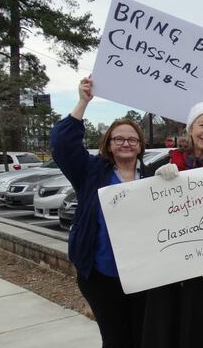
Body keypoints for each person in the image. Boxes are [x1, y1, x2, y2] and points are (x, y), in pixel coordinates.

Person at [50, 77, 147, 348]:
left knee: (143, 337)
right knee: (116, 339)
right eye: (119, 138)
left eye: (132, 139)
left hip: (144, 275)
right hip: (102, 275)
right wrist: (83, 101)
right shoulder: (91, 173)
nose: (126, 143)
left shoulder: (152, 176)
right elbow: (62, 144)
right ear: (108, 143)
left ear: (140, 145)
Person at [142, 101, 203, 348]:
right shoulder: (164, 165)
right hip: (170, 279)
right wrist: (153, 183)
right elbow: (143, 216)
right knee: (169, 334)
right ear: (190, 128)